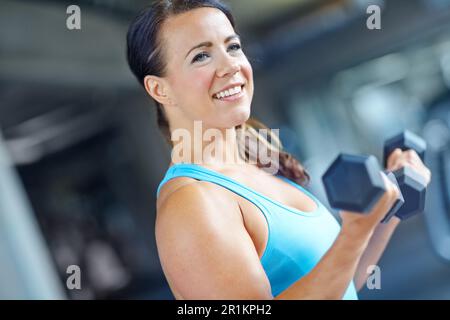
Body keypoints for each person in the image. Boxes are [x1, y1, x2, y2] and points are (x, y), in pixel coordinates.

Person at [126, 0, 431, 299]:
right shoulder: (191, 203)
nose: (231, 65)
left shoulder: (256, 165)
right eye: (201, 56)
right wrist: (353, 234)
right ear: (159, 89)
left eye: (232, 47)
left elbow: (339, 284)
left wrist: (385, 211)